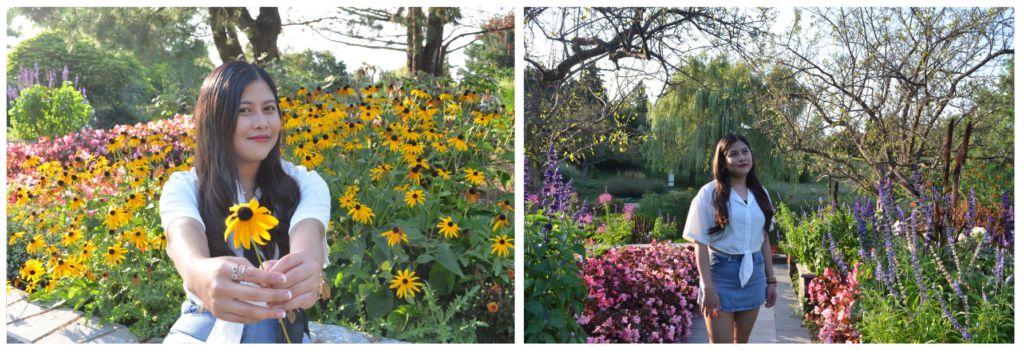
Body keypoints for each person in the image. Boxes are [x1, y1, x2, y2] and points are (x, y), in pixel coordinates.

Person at [159, 61, 330, 343]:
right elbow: (188, 255)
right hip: (204, 322)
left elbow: (308, 238)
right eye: (244, 110)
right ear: (215, 120)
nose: (262, 122)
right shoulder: (185, 187)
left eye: (269, 108)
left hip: (279, 324)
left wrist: (303, 275)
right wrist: (204, 276)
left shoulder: (305, 184)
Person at [682, 133, 778, 343]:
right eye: (734, 154)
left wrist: (771, 281)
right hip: (720, 276)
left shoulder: (761, 193)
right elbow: (700, 243)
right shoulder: (709, 193)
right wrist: (707, 288)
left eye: (745, 151)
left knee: (741, 342)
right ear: (724, 162)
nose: (742, 157)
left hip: (754, 274)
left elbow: (764, 240)